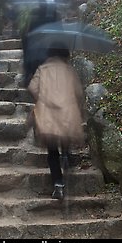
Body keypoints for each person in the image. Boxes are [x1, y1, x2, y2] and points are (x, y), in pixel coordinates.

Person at [27, 43, 86, 200]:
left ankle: (58, 184)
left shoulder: (43, 69)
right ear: (65, 55)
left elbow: (32, 87)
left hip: (49, 114)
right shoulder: (70, 70)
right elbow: (79, 92)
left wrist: (41, 99)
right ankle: (66, 155)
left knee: (52, 151)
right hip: (67, 113)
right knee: (65, 140)